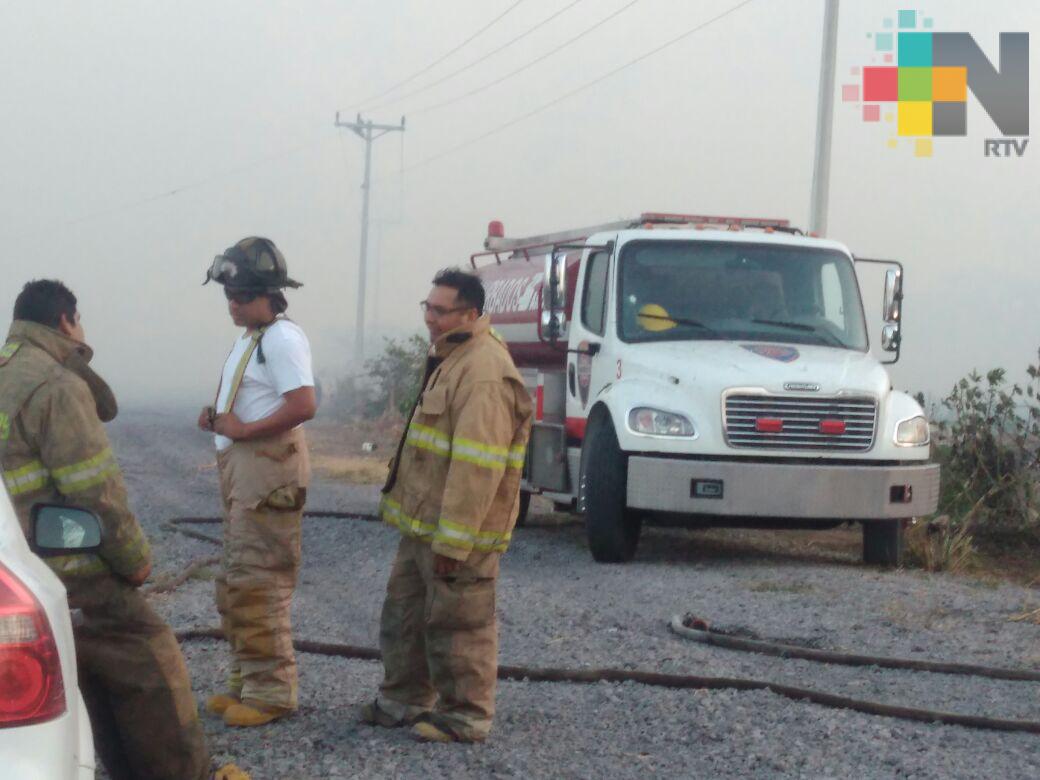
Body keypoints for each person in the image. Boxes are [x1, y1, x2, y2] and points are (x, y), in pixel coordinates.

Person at [0, 280, 222, 780]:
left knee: (81, 668)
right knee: (149, 655)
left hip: (17, 569)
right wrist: (134, 560)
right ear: (65, 321)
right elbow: (95, 492)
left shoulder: (7, 373)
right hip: (73, 569)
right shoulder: (56, 385)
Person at [362, 268, 532, 743]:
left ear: (470, 314)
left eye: (440, 311)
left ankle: (465, 717)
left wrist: (454, 541)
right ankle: (403, 700)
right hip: (423, 524)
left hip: (457, 533)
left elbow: (478, 467)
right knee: (406, 616)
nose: (430, 319)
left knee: (459, 624)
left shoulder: (483, 372)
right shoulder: (453, 357)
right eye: (428, 308)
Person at [198, 237, 316, 727]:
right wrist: (219, 418)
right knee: (235, 583)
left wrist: (243, 430)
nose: (233, 303)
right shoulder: (252, 338)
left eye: (241, 296)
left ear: (268, 294)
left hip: (267, 471)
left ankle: (272, 691)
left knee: (258, 583)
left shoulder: (283, 340)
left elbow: (303, 404)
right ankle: (246, 678)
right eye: (229, 295)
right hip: (243, 470)